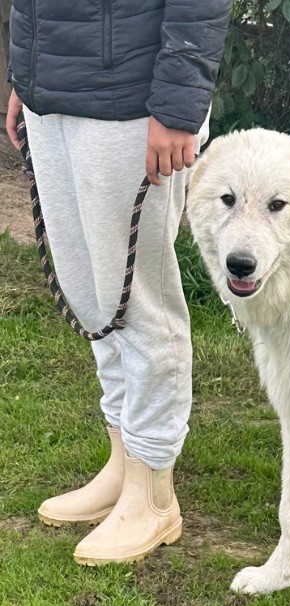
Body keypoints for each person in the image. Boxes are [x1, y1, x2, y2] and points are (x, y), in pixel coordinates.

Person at [5, 0, 232, 564]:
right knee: (93, 299)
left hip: (131, 102)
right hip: (53, 95)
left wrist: (177, 110)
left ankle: (153, 493)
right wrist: (26, 79)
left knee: (137, 303)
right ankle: (123, 463)